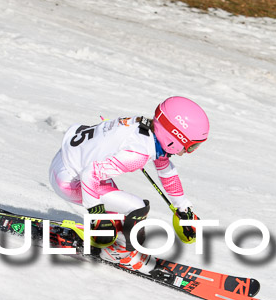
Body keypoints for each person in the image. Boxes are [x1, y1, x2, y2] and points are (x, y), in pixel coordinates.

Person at [49, 96, 209, 273]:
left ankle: (112, 241)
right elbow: (89, 174)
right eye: (191, 147)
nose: (187, 152)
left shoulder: (144, 126)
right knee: (136, 208)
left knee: (119, 209)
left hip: (69, 161)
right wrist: (96, 214)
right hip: (68, 179)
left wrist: (183, 208)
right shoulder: (137, 154)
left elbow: (166, 172)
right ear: (175, 138)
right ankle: (119, 253)